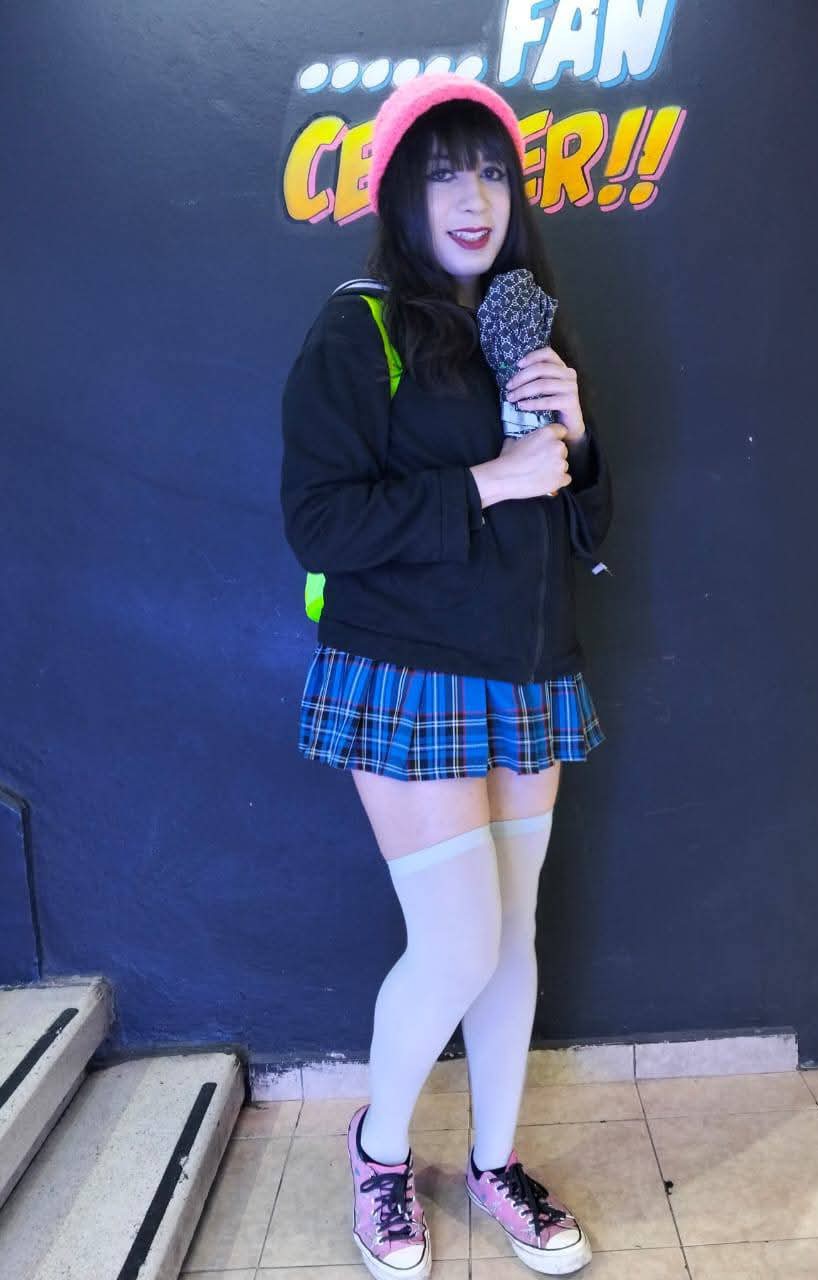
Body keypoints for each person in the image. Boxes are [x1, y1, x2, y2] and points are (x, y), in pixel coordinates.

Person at [280, 73, 612, 1279]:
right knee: (460, 938)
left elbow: (585, 528)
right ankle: (379, 1153)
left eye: (490, 172)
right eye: (441, 174)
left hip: (528, 671)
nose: (473, 198)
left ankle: (492, 1160)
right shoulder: (357, 329)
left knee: (514, 936)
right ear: (399, 196)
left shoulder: (529, 328)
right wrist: (489, 477)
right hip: (407, 673)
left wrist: (577, 443)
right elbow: (319, 522)